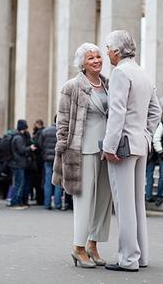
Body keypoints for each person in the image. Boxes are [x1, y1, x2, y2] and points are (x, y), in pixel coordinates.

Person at [102, 31, 161, 272]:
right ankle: (141, 256)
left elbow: (117, 112)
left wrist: (108, 146)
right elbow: (156, 111)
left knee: (124, 205)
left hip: (122, 145)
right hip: (139, 144)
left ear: (116, 51)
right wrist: (146, 135)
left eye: (107, 48)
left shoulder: (120, 73)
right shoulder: (143, 73)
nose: (106, 52)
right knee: (137, 204)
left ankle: (128, 259)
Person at [52, 42, 113, 269]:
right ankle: (77, 247)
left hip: (107, 150)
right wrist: (63, 150)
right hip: (82, 149)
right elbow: (63, 122)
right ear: (82, 63)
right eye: (91, 58)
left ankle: (92, 244)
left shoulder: (108, 84)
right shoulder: (72, 87)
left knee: (103, 201)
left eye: (98, 56)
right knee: (84, 200)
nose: (97, 60)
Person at [9, 119, 35, 209]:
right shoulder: (19, 138)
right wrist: (30, 148)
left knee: (18, 183)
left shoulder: (16, 136)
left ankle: (17, 201)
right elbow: (21, 150)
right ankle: (15, 202)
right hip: (18, 163)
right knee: (19, 183)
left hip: (17, 163)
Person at [39, 116, 62, 210]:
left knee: (48, 181)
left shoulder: (45, 131)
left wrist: (44, 153)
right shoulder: (62, 131)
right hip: (58, 158)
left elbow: (40, 144)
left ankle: (47, 204)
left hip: (47, 159)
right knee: (58, 181)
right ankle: (57, 204)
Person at [29, 119, 44, 205]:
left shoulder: (39, 133)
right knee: (40, 180)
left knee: (37, 180)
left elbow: (38, 145)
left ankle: (39, 199)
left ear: (37, 124)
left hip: (38, 160)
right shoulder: (43, 132)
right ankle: (40, 198)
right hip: (41, 159)